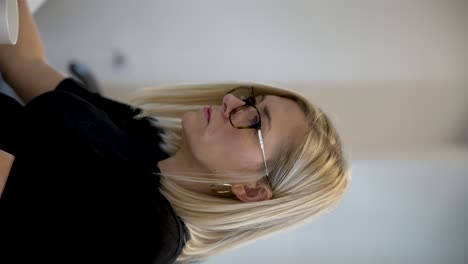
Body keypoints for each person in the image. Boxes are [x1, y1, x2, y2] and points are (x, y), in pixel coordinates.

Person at [0, 1, 351, 263]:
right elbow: (27, 65)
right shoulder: (151, 141)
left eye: (255, 121)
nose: (231, 100)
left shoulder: (148, 232)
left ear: (253, 190)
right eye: (250, 100)